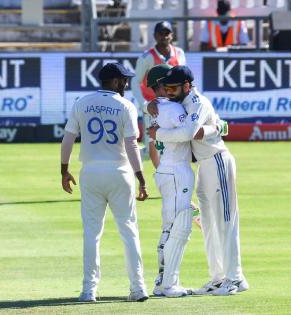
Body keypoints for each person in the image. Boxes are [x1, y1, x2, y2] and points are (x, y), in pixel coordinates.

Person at [147, 65, 249, 296]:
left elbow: (188, 133)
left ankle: (235, 278)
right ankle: (218, 277)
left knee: (226, 221)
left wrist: (158, 135)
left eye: (173, 87)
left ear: (186, 86)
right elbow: (214, 125)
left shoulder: (198, 102)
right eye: (167, 87)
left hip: (218, 160)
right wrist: (149, 104)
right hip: (204, 165)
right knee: (209, 224)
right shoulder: (181, 102)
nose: (169, 92)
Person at [60, 62, 149, 303]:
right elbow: (131, 145)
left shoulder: (82, 102)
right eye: (123, 80)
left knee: (92, 233)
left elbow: (68, 138)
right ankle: (138, 288)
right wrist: (140, 177)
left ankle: (89, 291)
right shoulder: (125, 105)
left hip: (90, 172)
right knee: (129, 231)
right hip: (119, 172)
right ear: (115, 81)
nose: (126, 84)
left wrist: (64, 170)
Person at [131, 20, 186, 154]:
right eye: (161, 33)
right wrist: (145, 105)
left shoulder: (178, 53)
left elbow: (183, 78)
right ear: (155, 36)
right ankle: (134, 161)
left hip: (174, 105)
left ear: (172, 35)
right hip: (154, 107)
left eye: (167, 33)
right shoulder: (147, 57)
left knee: (174, 143)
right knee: (152, 147)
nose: (164, 36)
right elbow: (135, 81)